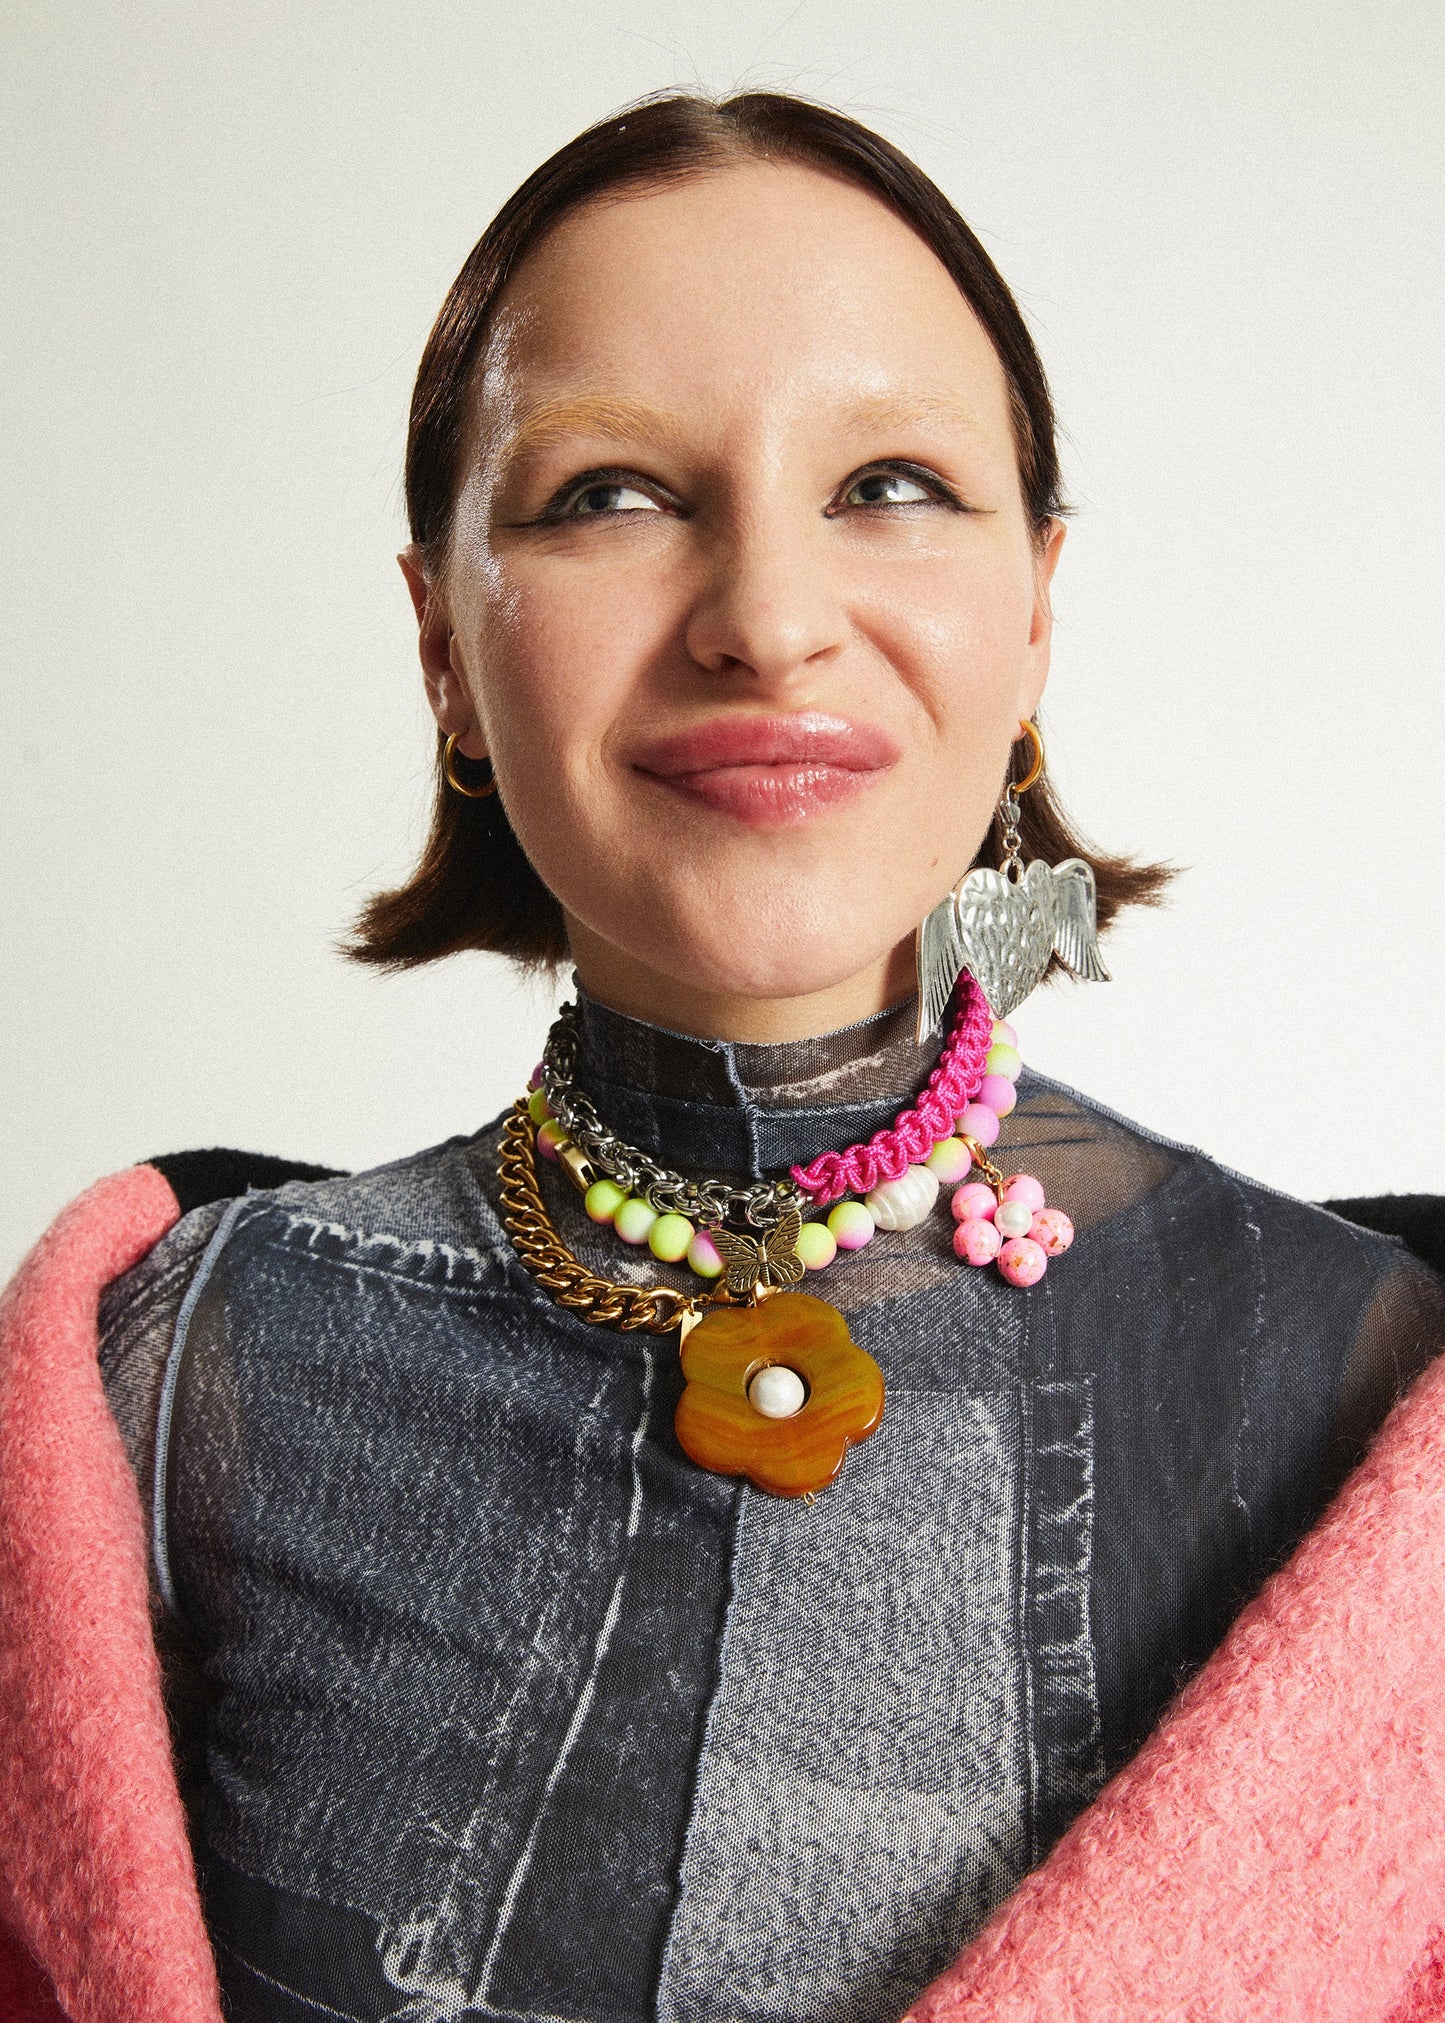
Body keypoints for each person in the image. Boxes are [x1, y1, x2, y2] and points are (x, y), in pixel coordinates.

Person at [3, 91, 1444, 2023]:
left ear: (1034, 613)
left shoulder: (1380, 1400)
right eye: (611, 494)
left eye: (892, 484)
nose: (766, 623)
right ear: (443, 648)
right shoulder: (171, 1381)